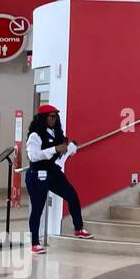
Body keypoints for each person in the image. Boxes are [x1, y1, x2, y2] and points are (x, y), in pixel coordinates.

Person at [24, 104, 93, 254]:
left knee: (72, 196)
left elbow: (62, 153)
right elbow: (33, 156)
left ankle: (78, 228)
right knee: (37, 208)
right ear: (43, 118)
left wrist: (71, 147)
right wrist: (54, 149)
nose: (53, 119)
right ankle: (35, 243)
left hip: (53, 172)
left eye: (55, 116)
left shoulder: (57, 133)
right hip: (37, 174)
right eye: (50, 116)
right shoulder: (34, 135)